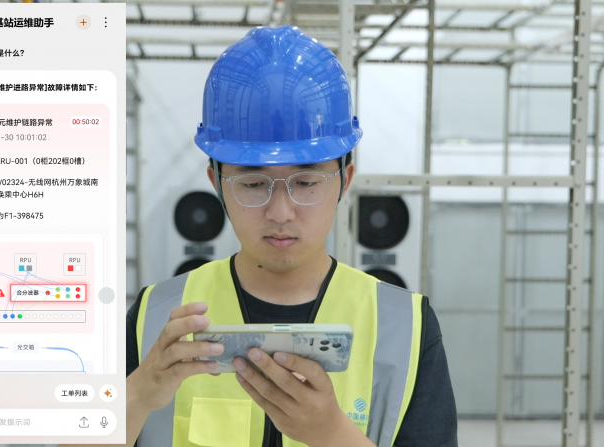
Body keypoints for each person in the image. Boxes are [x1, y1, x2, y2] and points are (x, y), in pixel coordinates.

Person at [125, 25, 457, 447]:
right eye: (252, 184)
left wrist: (334, 435)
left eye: (305, 183)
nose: (280, 213)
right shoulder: (155, 318)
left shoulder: (404, 327)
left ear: (344, 180)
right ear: (216, 184)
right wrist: (136, 395)